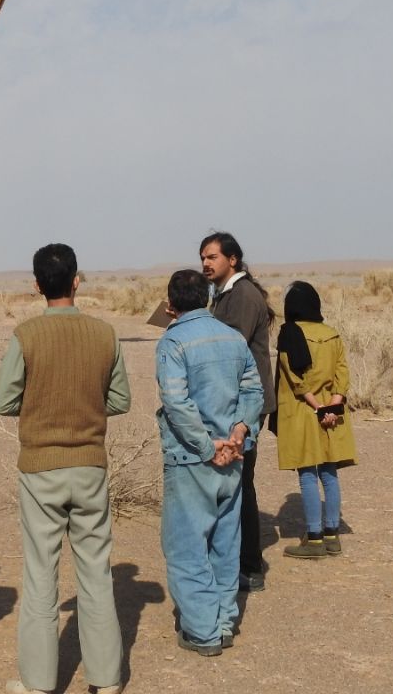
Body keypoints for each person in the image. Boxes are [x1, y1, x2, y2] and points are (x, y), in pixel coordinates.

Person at [0, 243, 131, 694]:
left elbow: (4, 401)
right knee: (96, 573)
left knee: (40, 576)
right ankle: (107, 680)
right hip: (90, 464)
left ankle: (37, 683)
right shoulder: (105, 334)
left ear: (37, 285)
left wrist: (41, 405)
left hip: (40, 468)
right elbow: (120, 400)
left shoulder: (26, 335)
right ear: (77, 279)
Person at [155, 269, 263, 657]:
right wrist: (238, 433)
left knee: (186, 546)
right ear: (206, 299)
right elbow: (253, 389)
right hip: (232, 458)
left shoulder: (173, 342)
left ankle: (202, 631)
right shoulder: (233, 338)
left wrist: (206, 445)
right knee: (224, 542)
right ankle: (223, 622)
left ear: (170, 305)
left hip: (191, 461)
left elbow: (176, 402)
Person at [199, 231, 275, 593]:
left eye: (212, 257)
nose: (205, 264)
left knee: (241, 483)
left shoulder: (243, 296)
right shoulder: (226, 294)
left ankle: (249, 565)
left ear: (233, 259)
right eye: (203, 258)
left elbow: (230, 346)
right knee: (235, 481)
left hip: (247, 400)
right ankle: (242, 559)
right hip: (235, 398)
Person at [274, 281, 357, 559]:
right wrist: (333, 405)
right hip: (332, 414)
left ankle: (314, 538)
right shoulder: (332, 334)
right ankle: (333, 535)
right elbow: (342, 375)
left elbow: (295, 379)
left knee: (308, 475)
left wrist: (317, 406)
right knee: (330, 474)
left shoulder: (290, 333)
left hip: (303, 413)